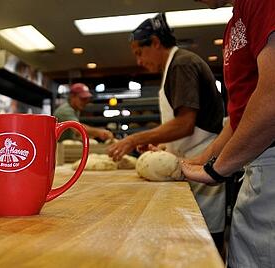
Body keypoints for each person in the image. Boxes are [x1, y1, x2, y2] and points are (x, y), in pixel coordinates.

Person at [107, 13, 226, 253]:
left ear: (155, 42)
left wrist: (134, 139)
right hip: (187, 164)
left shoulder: (181, 63)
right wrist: (163, 147)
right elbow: (184, 126)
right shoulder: (174, 65)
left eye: (139, 52)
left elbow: (185, 124)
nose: (139, 61)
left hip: (202, 167)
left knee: (202, 247)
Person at [182, 1, 275, 267]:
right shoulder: (237, 18)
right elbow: (241, 118)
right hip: (259, 170)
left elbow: (272, 97)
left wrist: (217, 170)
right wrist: (201, 160)